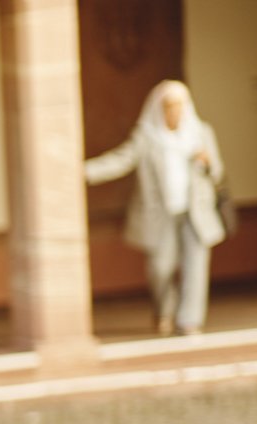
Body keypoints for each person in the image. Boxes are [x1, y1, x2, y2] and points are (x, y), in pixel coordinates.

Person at [85, 79, 228, 336]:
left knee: (195, 265)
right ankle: (164, 309)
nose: (175, 112)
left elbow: (217, 172)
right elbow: (121, 160)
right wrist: (85, 171)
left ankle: (189, 320)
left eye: (180, 106)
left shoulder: (200, 133)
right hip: (160, 213)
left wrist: (207, 163)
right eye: (170, 106)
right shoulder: (148, 136)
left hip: (195, 213)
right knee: (160, 268)